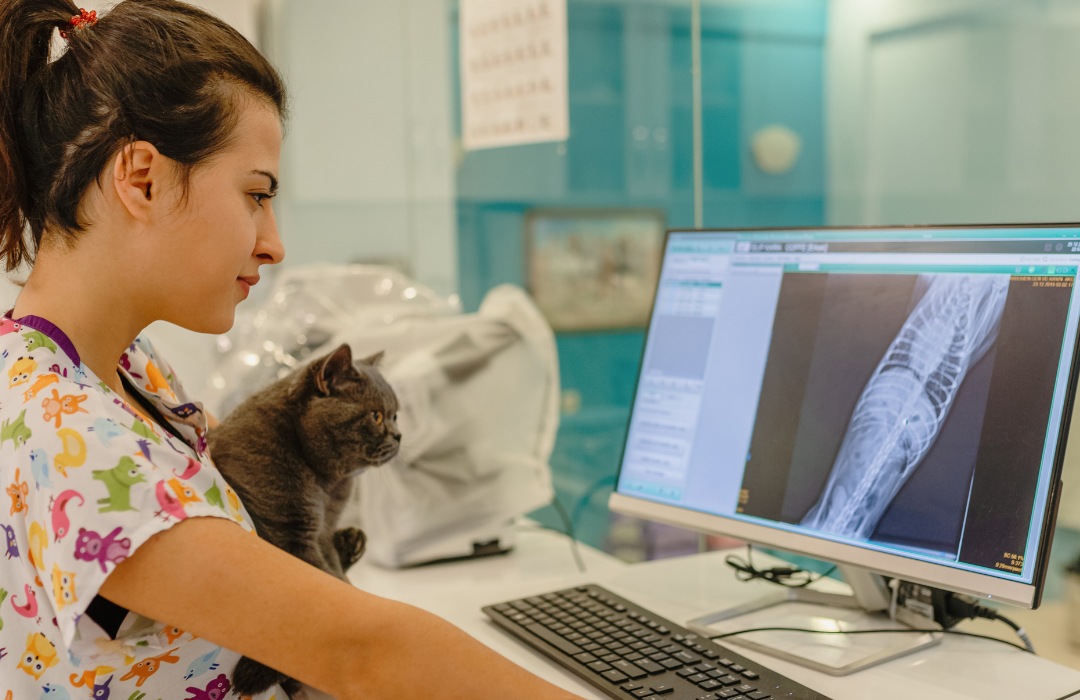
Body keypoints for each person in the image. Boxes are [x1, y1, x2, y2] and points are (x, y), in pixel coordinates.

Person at [0, 1, 586, 698]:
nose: (273, 243)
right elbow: (361, 651)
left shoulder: (125, 369)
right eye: (256, 195)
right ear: (142, 178)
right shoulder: (65, 431)